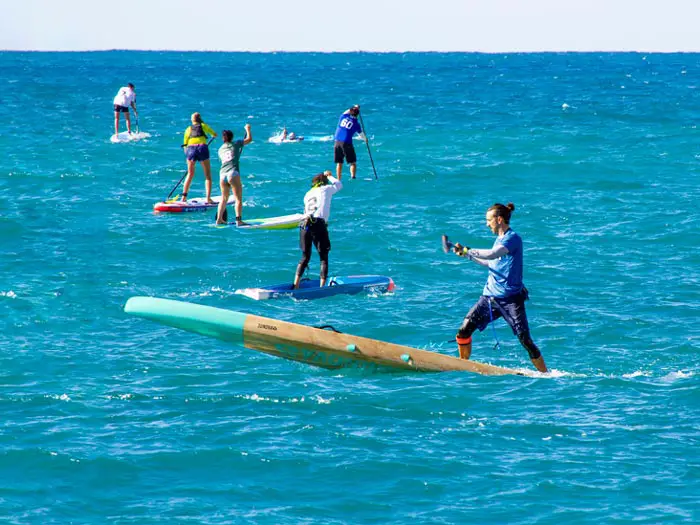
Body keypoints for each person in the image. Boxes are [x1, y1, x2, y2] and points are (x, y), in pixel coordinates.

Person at [450, 203, 548, 373]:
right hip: (489, 298)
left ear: (499, 219)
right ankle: (462, 365)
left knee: (525, 340)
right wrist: (466, 255)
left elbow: (492, 254)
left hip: (510, 301)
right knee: (464, 331)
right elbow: (491, 262)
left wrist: (468, 249)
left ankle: (545, 374)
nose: (487, 224)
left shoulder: (513, 238)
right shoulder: (499, 239)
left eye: (489, 220)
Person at [293, 170, 343, 289]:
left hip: (304, 224)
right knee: (323, 257)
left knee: (305, 257)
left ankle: (295, 286)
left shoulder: (307, 194)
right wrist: (330, 176)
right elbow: (339, 185)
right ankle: (322, 288)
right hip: (318, 223)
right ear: (324, 182)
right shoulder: (326, 189)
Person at [216, 125, 252, 226]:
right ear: (231, 137)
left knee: (224, 198)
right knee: (238, 198)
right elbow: (249, 139)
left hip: (222, 174)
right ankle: (239, 221)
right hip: (233, 173)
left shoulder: (220, 149)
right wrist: (248, 129)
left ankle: (219, 219)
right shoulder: (236, 143)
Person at [181, 112, 217, 203]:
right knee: (207, 175)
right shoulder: (204, 125)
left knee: (190, 174)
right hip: (202, 147)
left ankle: (184, 197)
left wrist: (188, 156)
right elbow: (214, 134)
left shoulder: (188, 129)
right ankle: (208, 198)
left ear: (192, 120)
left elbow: (185, 144)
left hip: (190, 149)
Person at [334, 105, 365, 179]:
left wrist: (355, 106)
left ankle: (338, 179)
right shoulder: (356, 124)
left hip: (337, 141)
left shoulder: (343, 117)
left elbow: (346, 111)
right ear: (357, 114)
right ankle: (353, 177)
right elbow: (361, 135)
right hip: (346, 143)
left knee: (339, 162)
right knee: (353, 163)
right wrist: (365, 139)